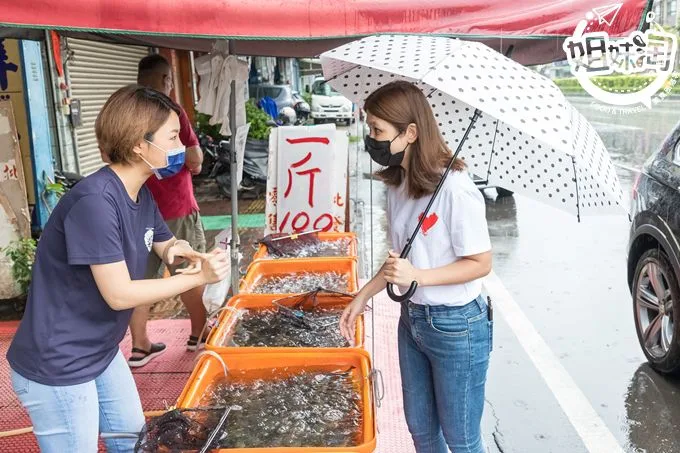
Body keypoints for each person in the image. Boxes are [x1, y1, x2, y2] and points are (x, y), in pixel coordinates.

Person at [6, 85, 230, 452]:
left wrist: (188, 253)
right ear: (140, 145)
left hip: (99, 349)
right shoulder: (95, 202)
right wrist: (197, 278)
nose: (180, 147)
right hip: (59, 361)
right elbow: (119, 293)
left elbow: (165, 242)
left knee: (133, 443)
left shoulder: (139, 192)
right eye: (172, 137)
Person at [339, 81, 493, 453]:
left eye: (378, 131)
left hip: (458, 326)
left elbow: (481, 263)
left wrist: (420, 277)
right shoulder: (398, 183)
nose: (371, 139)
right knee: (421, 432)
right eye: (369, 128)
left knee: (462, 439)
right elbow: (397, 263)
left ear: (410, 133)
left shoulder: (456, 189)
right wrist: (361, 297)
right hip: (413, 320)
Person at [128, 54, 208, 367]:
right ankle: (198, 334)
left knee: (138, 280)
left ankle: (139, 346)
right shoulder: (170, 111)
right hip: (176, 208)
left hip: (134, 210)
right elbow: (196, 159)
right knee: (190, 271)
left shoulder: (126, 111)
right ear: (165, 80)